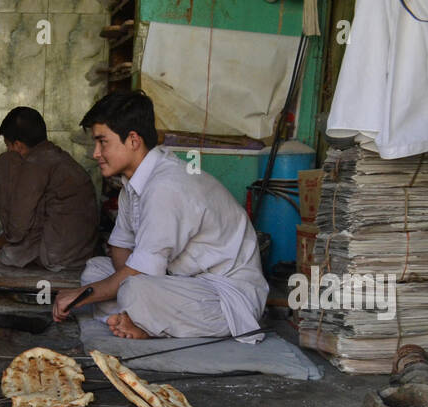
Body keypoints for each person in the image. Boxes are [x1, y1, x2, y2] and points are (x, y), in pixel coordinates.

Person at [52, 92, 267, 341]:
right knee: (96, 270)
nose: (96, 153)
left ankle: (142, 322)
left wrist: (84, 294)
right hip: (179, 283)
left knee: (133, 288)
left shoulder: (166, 185)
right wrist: (127, 287)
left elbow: (138, 277)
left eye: (103, 142)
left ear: (133, 140)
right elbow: (120, 247)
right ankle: (137, 318)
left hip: (224, 296)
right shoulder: (133, 185)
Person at [0, 106, 99, 271]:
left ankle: (12, 249)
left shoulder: (35, 163)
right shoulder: (56, 157)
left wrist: (5, 242)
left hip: (56, 255)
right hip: (83, 252)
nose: (8, 150)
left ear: (18, 145)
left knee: (6, 162)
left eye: (8, 145)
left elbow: (20, 224)